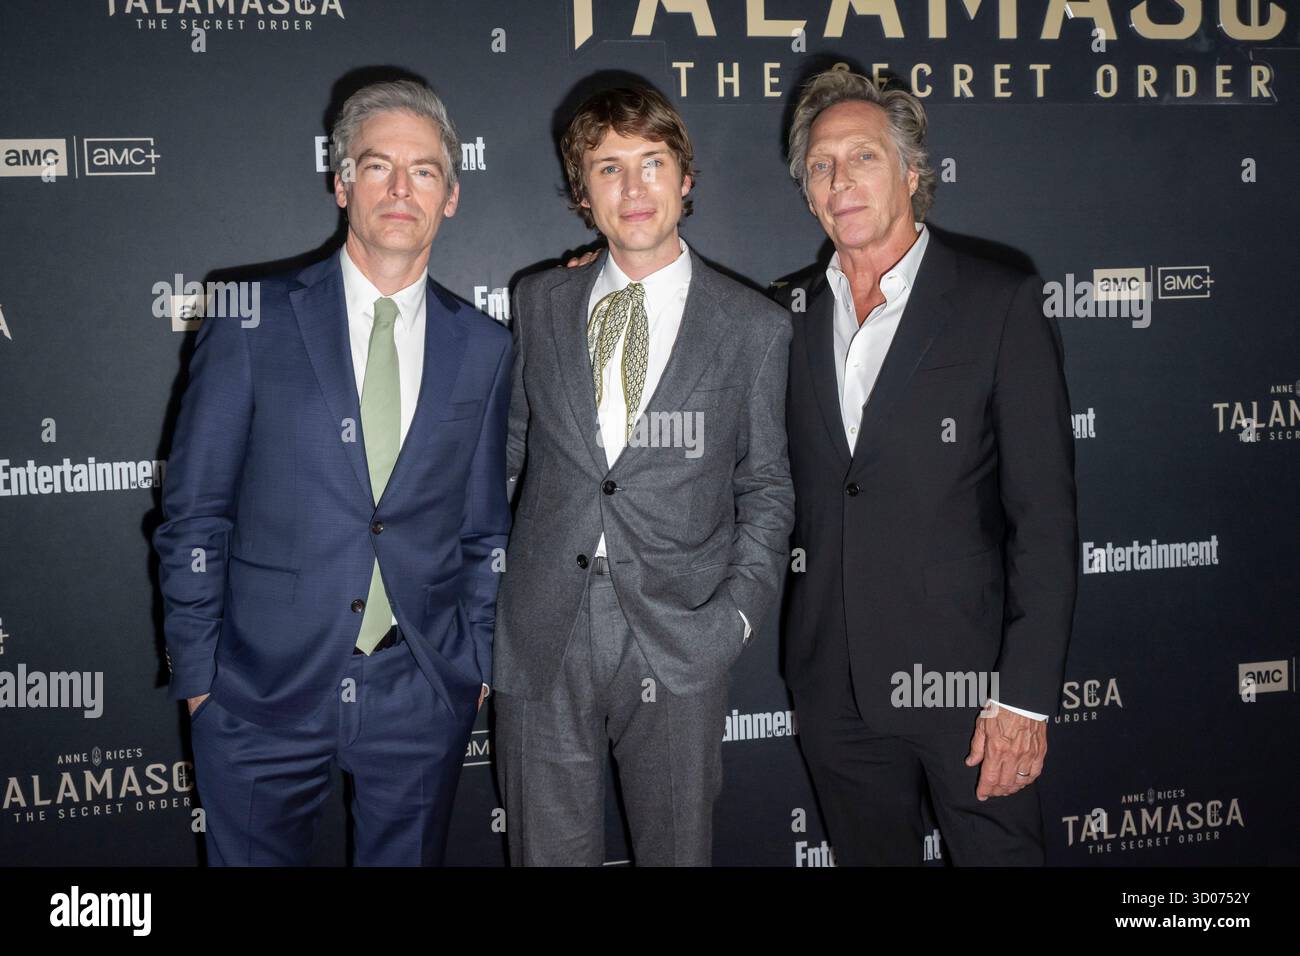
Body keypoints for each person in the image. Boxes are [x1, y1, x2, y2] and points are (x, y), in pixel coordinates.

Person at [153, 79, 511, 865]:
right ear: (341, 181)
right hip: (257, 694)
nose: (399, 188)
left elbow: (484, 526)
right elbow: (195, 514)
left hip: (417, 690)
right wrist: (202, 680)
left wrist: (473, 664)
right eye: (377, 166)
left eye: (423, 171)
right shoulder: (249, 317)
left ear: (450, 195)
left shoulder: (485, 346)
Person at [775, 69, 1078, 865]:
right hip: (834, 687)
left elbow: (1044, 519)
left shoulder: (997, 300)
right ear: (806, 191)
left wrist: (1025, 698)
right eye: (820, 165)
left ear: (911, 172)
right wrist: (604, 290)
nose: (840, 180)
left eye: (863, 157)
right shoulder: (785, 319)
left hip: (972, 694)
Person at [494, 85, 794, 866]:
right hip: (542, 633)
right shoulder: (540, 301)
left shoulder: (754, 326)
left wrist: (733, 621)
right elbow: (510, 458)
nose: (633, 189)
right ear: (582, 193)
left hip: (679, 634)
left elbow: (766, 489)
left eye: (651, 164)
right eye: (608, 169)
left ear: (684, 178)